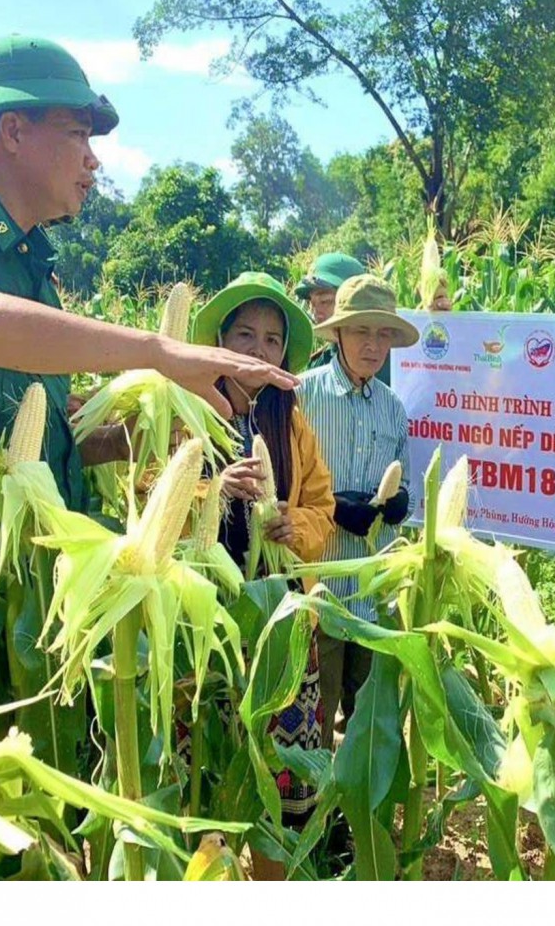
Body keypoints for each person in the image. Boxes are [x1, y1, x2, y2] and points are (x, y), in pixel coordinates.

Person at [0, 35, 295, 665]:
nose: (93, 161)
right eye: (78, 134)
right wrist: (155, 352)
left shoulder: (35, 267)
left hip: (42, 578)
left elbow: (39, 433)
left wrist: (142, 434)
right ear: (13, 130)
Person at [191, 272, 336, 878]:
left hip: (279, 625)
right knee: (213, 767)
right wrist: (211, 492)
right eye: (245, 334)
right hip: (208, 619)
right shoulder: (190, 407)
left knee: (280, 776)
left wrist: (292, 525)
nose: (258, 349)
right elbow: (149, 489)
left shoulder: (290, 417)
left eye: (273, 339)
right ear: (220, 338)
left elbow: (322, 508)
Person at [298, 274, 414, 751]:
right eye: (363, 331)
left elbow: (401, 478)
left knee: (367, 721)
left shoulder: (393, 409)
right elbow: (283, 487)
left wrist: (399, 501)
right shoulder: (302, 396)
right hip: (319, 592)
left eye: (383, 334)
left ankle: (358, 815)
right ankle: (320, 819)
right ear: (338, 333)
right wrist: (331, 509)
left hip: (372, 593)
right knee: (316, 716)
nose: (373, 345)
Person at [296, 252, 395, 385]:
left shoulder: (397, 364)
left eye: (325, 301)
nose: (316, 312)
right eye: (312, 304)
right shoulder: (320, 362)